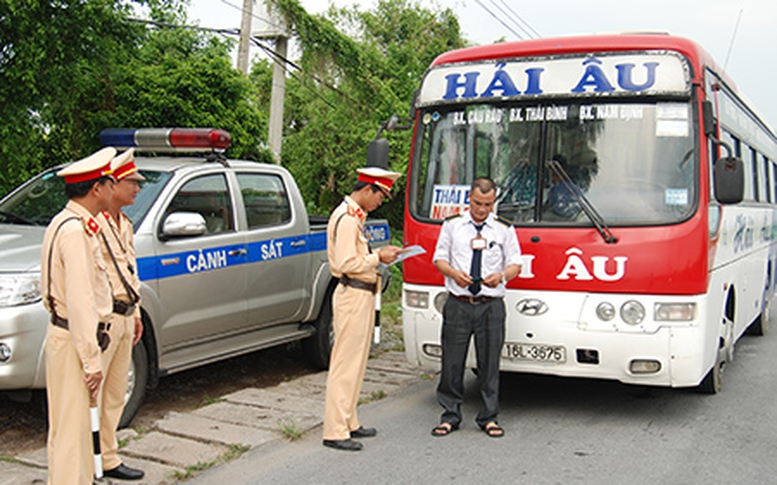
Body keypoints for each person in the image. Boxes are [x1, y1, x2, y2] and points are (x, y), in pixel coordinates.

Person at [41, 147, 116, 484]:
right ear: (96, 188)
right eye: (110, 183)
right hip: (74, 341)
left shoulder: (70, 223)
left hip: (69, 339)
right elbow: (81, 301)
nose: (114, 190)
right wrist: (91, 361)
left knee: (72, 432)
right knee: (72, 435)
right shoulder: (74, 231)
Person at [431, 177, 522, 438]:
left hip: (490, 305)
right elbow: (439, 258)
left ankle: (489, 417)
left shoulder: (504, 228)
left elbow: (516, 263)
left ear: (494, 202)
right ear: (469, 199)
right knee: (452, 362)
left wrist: (502, 276)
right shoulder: (452, 226)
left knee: (489, 363)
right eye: (478, 203)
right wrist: (454, 274)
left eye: (488, 204)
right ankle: (450, 415)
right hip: (459, 303)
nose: (482, 209)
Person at [322, 167, 403, 451]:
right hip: (352, 294)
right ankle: (335, 430)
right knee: (345, 364)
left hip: (362, 295)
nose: (381, 202)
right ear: (368, 189)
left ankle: (349, 421)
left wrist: (377, 258)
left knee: (356, 364)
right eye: (380, 196)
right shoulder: (346, 219)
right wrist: (377, 256)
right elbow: (345, 263)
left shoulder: (356, 217)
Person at [95, 148, 145, 481]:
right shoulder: (93, 224)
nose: (138, 189)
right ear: (113, 185)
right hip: (105, 319)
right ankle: (89, 462)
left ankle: (109, 457)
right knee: (92, 397)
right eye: (132, 183)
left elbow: (131, 271)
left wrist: (137, 313)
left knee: (115, 394)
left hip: (126, 316)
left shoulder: (123, 223)